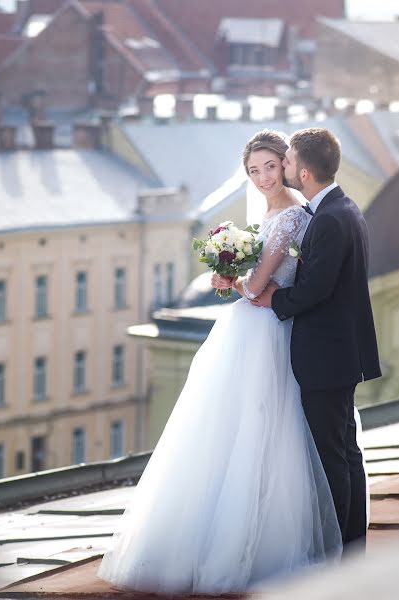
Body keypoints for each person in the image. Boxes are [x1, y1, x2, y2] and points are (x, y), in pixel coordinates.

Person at [97, 131, 342, 595]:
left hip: (268, 330)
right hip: (251, 329)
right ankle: (215, 537)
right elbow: (253, 281)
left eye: (271, 166)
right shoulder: (271, 213)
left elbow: (258, 285)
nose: (264, 177)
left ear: (287, 165)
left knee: (262, 428)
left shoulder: (292, 215)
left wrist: (231, 279)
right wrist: (231, 274)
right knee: (227, 429)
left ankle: (250, 546)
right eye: (254, 171)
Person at [249, 128, 382, 557]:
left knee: (333, 455)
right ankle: (352, 543)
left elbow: (315, 289)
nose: (280, 168)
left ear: (303, 171)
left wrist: (274, 298)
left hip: (327, 355)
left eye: (283, 162)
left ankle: (341, 550)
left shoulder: (328, 219)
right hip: (340, 352)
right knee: (344, 450)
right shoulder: (341, 210)